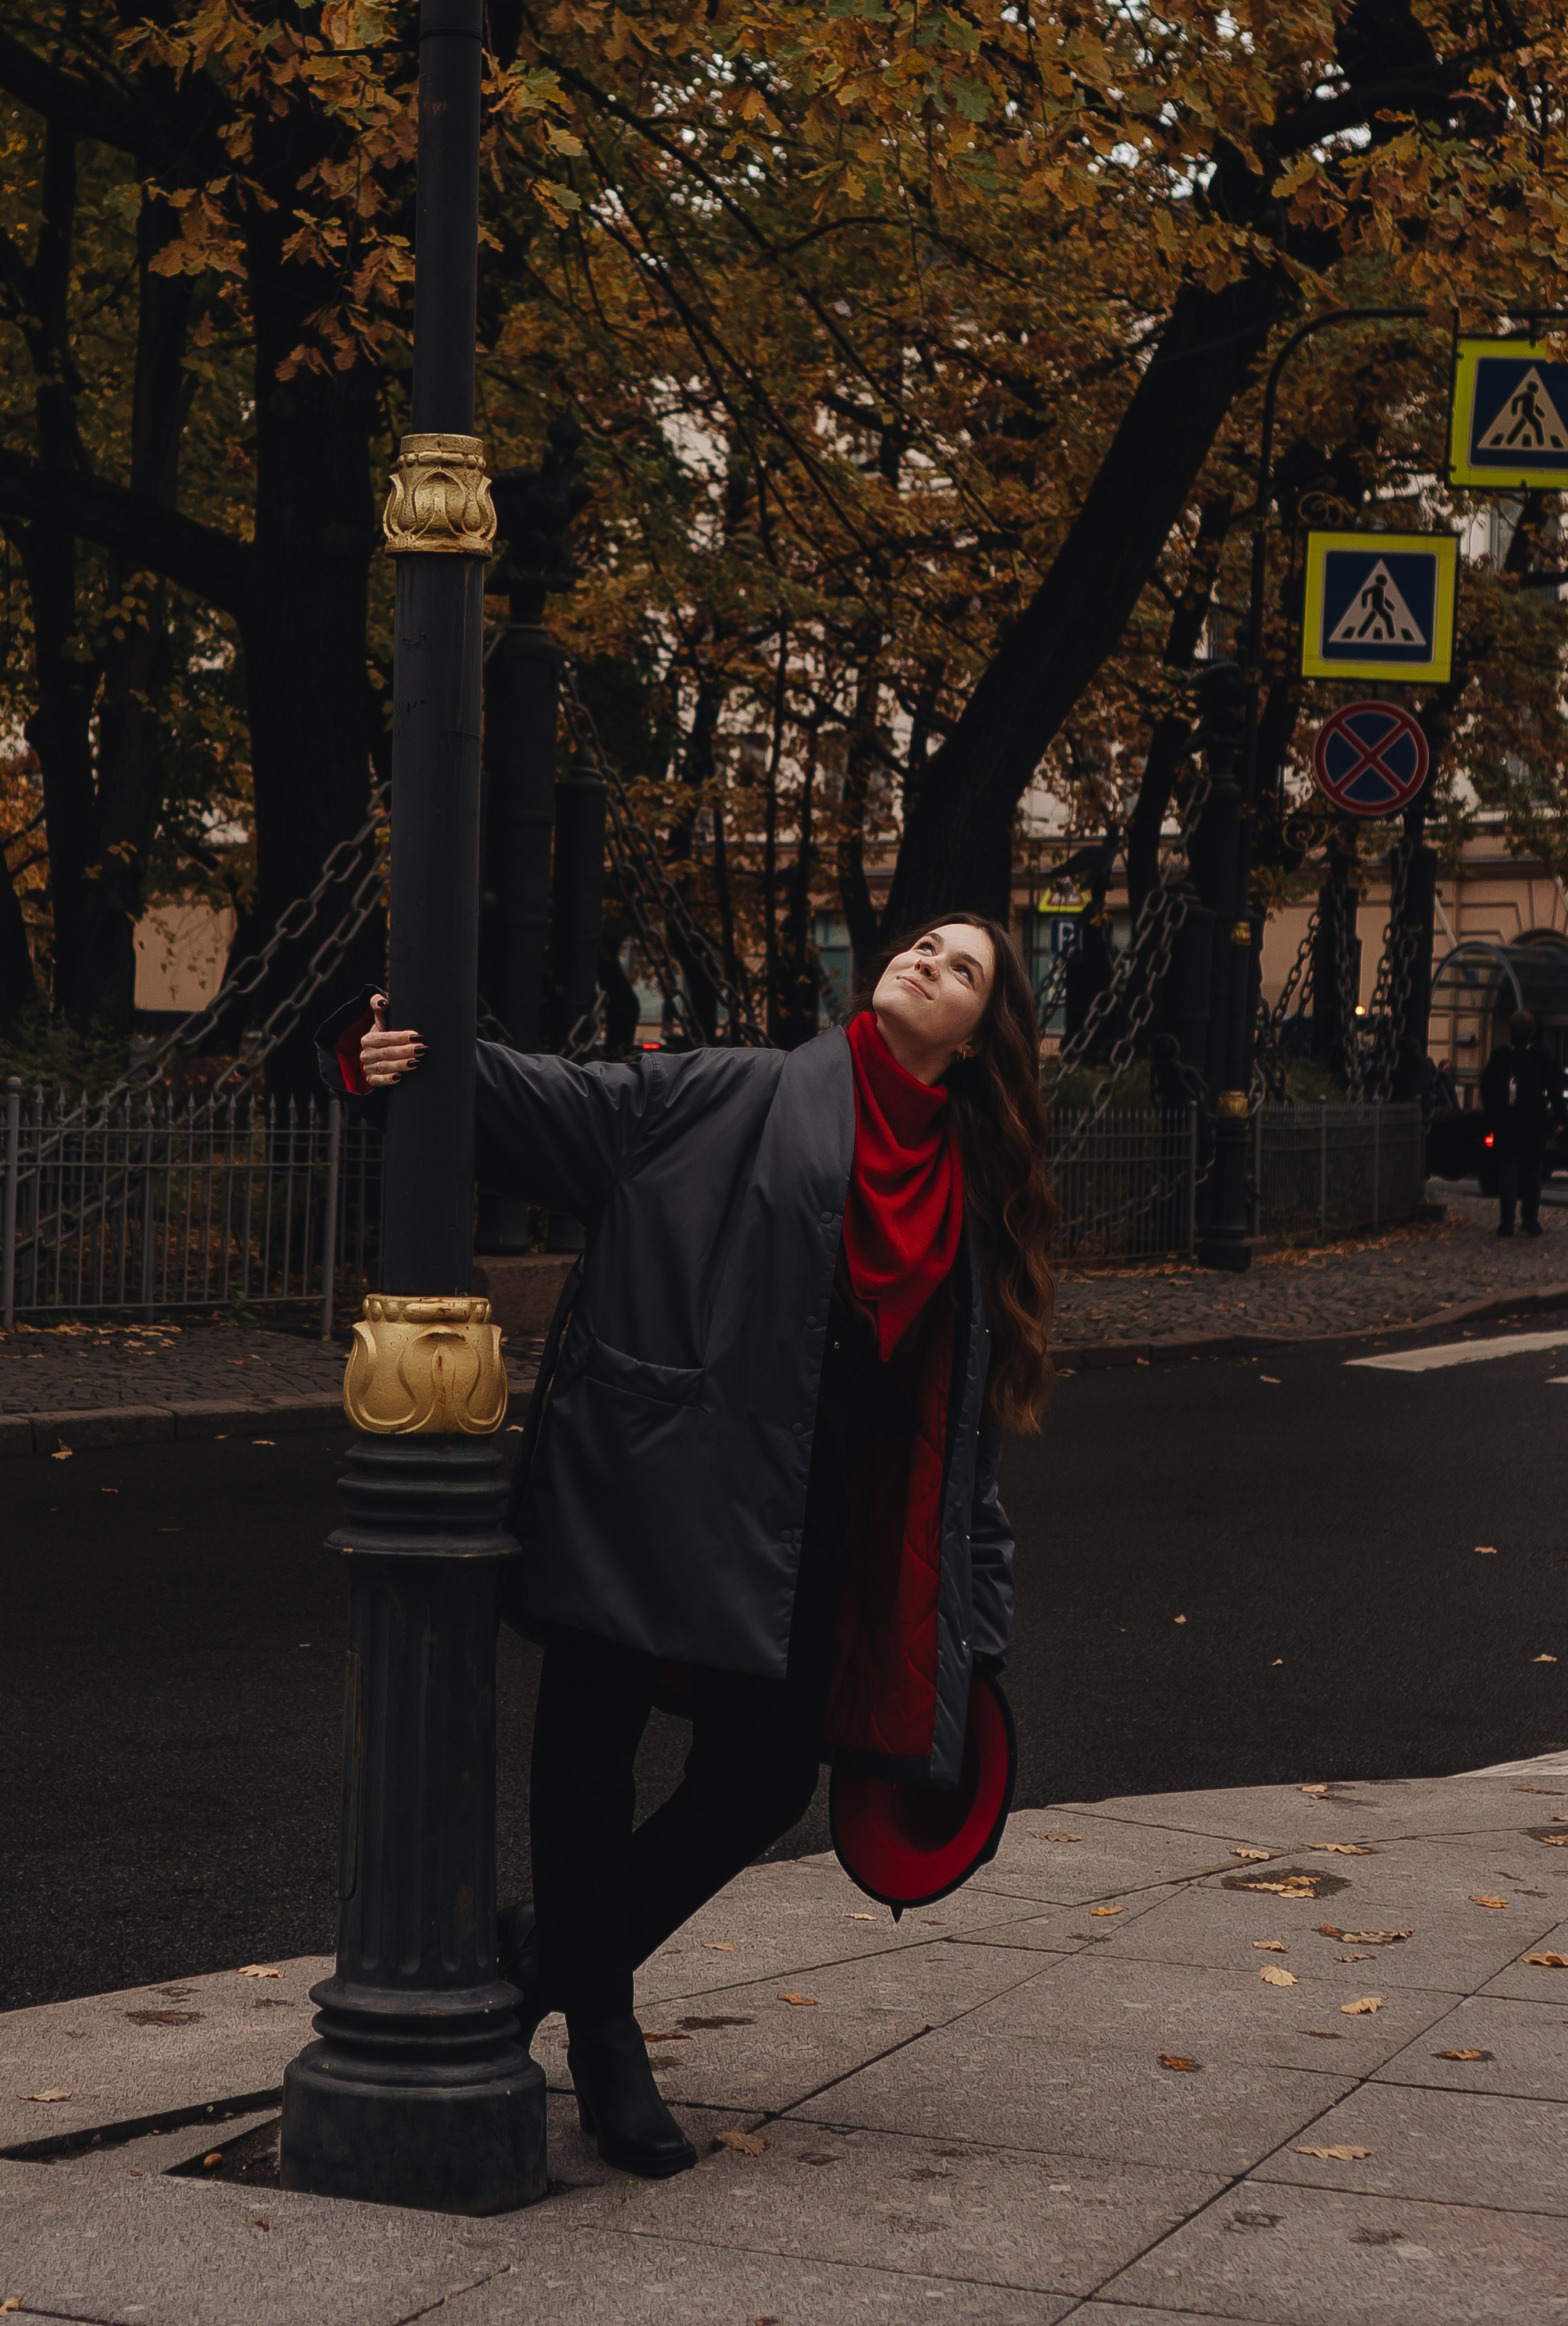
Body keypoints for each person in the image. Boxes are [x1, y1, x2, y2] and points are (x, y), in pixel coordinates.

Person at [333, 912, 1054, 2182]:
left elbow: (965, 1458)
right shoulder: (741, 1090)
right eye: (925, 945)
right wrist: (403, 1044)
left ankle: (550, 1953)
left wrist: (973, 1637)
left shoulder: (965, 1200)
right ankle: (605, 2039)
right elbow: (554, 1106)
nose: (926, 962)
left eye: (962, 969)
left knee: (767, 1777)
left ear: (982, 1041)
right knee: (587, 1756)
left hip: (812, 1514)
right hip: (653, 1473)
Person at [1480, 1007, 1562, 1237]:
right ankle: (1530, 1220)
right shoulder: (1541, 1056)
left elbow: (1487, 1089)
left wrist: (1491, 1119)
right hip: (1533, 1122)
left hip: (1507, 1122)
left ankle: (1507, 1222)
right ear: (1533, 1030)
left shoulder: (1500, 1055)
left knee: (1507, 1170)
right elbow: (1554, 1090)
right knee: (1532, 1171)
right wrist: (1559, 1118)